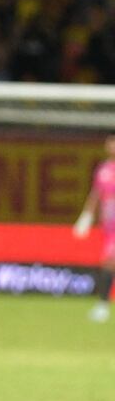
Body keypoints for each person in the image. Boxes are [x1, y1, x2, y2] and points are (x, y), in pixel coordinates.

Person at [73, 134, 115, 323]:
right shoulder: (104, 170)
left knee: (109, 261)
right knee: (108, 261)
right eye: (110, 143)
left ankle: (103, 305)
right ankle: (103, 306)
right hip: (110, 225)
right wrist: (87, 216)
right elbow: (96, 194)